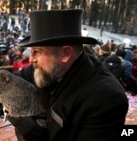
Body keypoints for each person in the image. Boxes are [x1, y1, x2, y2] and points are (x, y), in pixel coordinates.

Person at [7, 9, 129, 141]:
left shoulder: (106, 98)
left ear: (65, 54)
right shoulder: (48, 66)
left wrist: (35, 136)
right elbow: (14, 80)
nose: (31, 59)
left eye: (37, 51)